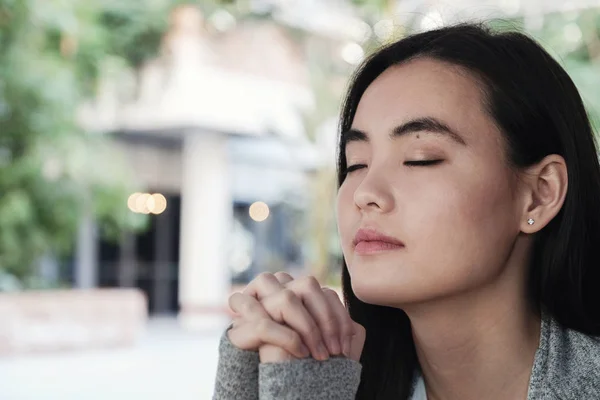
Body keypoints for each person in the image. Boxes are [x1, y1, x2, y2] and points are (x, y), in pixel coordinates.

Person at [212, 22, 600, 400]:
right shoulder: (327, 377)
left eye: (420, 158)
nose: (365, 193)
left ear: (539, 194)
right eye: (356, 164)